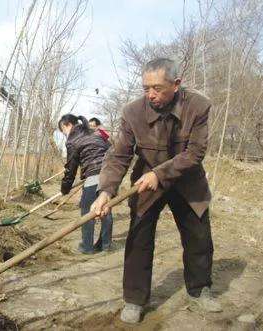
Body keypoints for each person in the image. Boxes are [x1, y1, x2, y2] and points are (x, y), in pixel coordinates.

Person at [91, 58, 222, 323]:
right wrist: (106, 191)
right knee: (138, 238)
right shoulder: (132, 112)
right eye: (146, 88)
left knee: (198, 237)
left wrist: (160, 174)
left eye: (158, 88)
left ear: (176, 84)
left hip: (187, 180)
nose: (151, 94)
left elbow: (195, 152)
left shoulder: (197, 106)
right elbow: (118, 156)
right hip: (146, 182)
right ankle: (135, 299)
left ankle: (199, 289)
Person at [59, 114, 113, 254]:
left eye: (63, 130)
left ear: (67, 125)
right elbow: (110, 148)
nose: (64, 134)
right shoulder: (96, 133)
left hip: (94, 176)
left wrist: (65, 188)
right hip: (111, 174)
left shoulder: (72, 139)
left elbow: (71, 168)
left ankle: (87, 247)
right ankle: (105, 245)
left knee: (87, 210)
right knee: (105, 208)